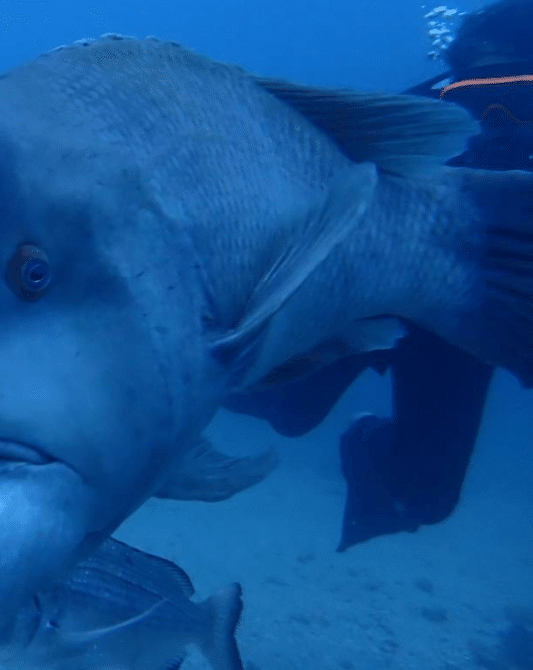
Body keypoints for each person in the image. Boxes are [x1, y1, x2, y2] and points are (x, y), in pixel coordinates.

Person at [222, 0, 533, 552]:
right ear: (453, 72)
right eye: (476, 89)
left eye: (513, 94)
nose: (497, 115)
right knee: (289, 410)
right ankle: (224, 382)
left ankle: (358, 439)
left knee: (426, 499)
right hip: (374, 290)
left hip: (464, 328)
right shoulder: (411, 111)